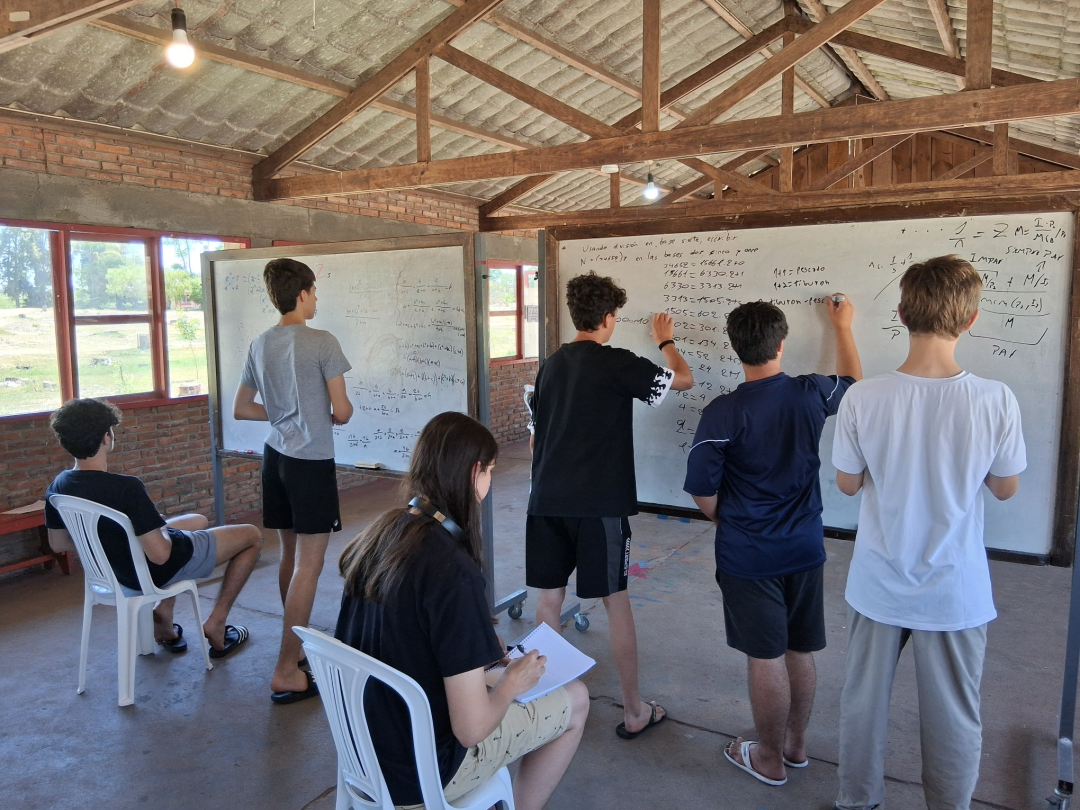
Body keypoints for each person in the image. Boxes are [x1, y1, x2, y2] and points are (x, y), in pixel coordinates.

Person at [831, 256, 1026, 810]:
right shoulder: (995, 399)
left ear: (900, 314)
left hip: (878, 581)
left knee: (862, 704)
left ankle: (857, 801)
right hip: (955, 588)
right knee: (955, 714)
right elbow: (1005, 488)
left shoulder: (863, 397)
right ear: (971, 320)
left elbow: (848, 484)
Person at [335, 412, 588, 810]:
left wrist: (481, 656)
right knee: (576, 697)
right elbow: (471, 730)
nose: (490, 481)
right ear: (475, 472)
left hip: (365, 752)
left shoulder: (380, 534)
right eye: (491, 471)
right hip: (424, 772)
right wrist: (511, 683)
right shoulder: (452, 570)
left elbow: (410, 639)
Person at [683, 296, 861, 786]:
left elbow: (702, 490)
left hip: (748, 553)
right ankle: (795, 746)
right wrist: (842, 327)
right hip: (805, 546)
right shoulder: (811, 393)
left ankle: (769, 758)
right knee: (799, 650)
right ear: (781, 344)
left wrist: (727, 519)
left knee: (765, 655)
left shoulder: (722, 412)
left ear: (735, 347)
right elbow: (853, 384)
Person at [527, 271, 694, 739]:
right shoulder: (617, 361)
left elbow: (538, 435)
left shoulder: (550, 365)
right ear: (607, 318)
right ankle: (635, 710)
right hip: (598, 505)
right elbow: (683, 380)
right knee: (615, 601)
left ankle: (547, 705)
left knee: (549, 600)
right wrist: (666, 342)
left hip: (545, 498)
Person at [44, 398, 262, 656]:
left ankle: (164, 616)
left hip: (114, 572)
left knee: (198, 520)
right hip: (150, 571)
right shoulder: (127, 487)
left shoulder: (58, 486)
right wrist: (158, 529)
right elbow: (160, 555)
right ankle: (217, 621)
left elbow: (58, 543)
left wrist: (124, 532)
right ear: (106, 438)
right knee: (251, 535)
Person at [233, 257, 354, 703]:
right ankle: (286, 668)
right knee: (309, 564)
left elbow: (242, 408)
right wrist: (320, 414)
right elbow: (342, 411)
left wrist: (284, 413)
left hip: (276, 458)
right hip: (310, 462)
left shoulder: (260, 343)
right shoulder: (322, 341)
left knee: (290, 556)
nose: (316, 299)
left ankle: (295, 646)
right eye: (314, 292)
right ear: (302, 294)